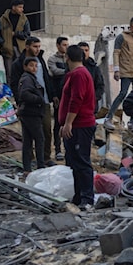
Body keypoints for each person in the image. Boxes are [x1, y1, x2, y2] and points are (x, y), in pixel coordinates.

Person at [58, 45, 96, 207]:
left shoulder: (80, 74)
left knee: (82, 162)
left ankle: (87, 198)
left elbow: (76, 100)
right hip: (75, 124)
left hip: (80, 125)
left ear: (68, 57)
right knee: (74, 162)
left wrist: (68, 123)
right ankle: (79, 196)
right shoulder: (74, 74)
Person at [9, 37, 56, 162]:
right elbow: (14, 84)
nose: (37, 49)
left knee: (46, 131)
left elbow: (46, 78)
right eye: (35, 46)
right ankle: (30, 161)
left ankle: (45, 158)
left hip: (43, 101)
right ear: (27, 46)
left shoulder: (40, 60)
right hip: (29, 104)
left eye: (39, 46)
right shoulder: (19, 64)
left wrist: (52, 95)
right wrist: (20, 102)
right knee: (29, 135)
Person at [103, 17, 133, 131]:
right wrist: (116, 69)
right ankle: (109, 117)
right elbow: (116, 53)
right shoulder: (122, 37)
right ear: (132, 26)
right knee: (123, 93)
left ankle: (132, 122)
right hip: (126, 71)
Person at [16, 56, 49, 174]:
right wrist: (39, 99)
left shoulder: (30, 78)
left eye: (36, 66)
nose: (34, 68)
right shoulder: (27, 79)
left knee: (28, 141)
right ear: (25, 67)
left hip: (28, 113)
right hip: (31, 114)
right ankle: (40, 167)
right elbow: (25, 94)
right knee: (39, 139)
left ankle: (27, 168)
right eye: (31, 65)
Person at [46, 37, 69, 160]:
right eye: (64, 44)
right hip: (58, 95)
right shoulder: (52, 59)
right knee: (58, 123)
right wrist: (68, 71)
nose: (66, 47)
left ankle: (67, 149)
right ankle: (58, 149)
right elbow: (53, 73)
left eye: (67, 44)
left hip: (68, 95)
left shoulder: (69, 58)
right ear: (58, 46)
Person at [0, 0, 30, 75]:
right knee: (9, 73)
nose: (22, 9)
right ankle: (10, 87)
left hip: (20, 50)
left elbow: (27, 34)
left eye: (22, 7)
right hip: (7, 50)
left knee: (20, 72)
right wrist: (3, 43)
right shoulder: (3, 19)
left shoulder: (24, 19)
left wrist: (16, 34)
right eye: (20, 7)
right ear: (13, 7)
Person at [78, 41, 106, 111]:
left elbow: (100, 85)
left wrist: (94, 98)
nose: (84, 52)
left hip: (91, 104)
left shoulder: (94, 68)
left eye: (86, 50)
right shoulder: (72, 67)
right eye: (82, 50)